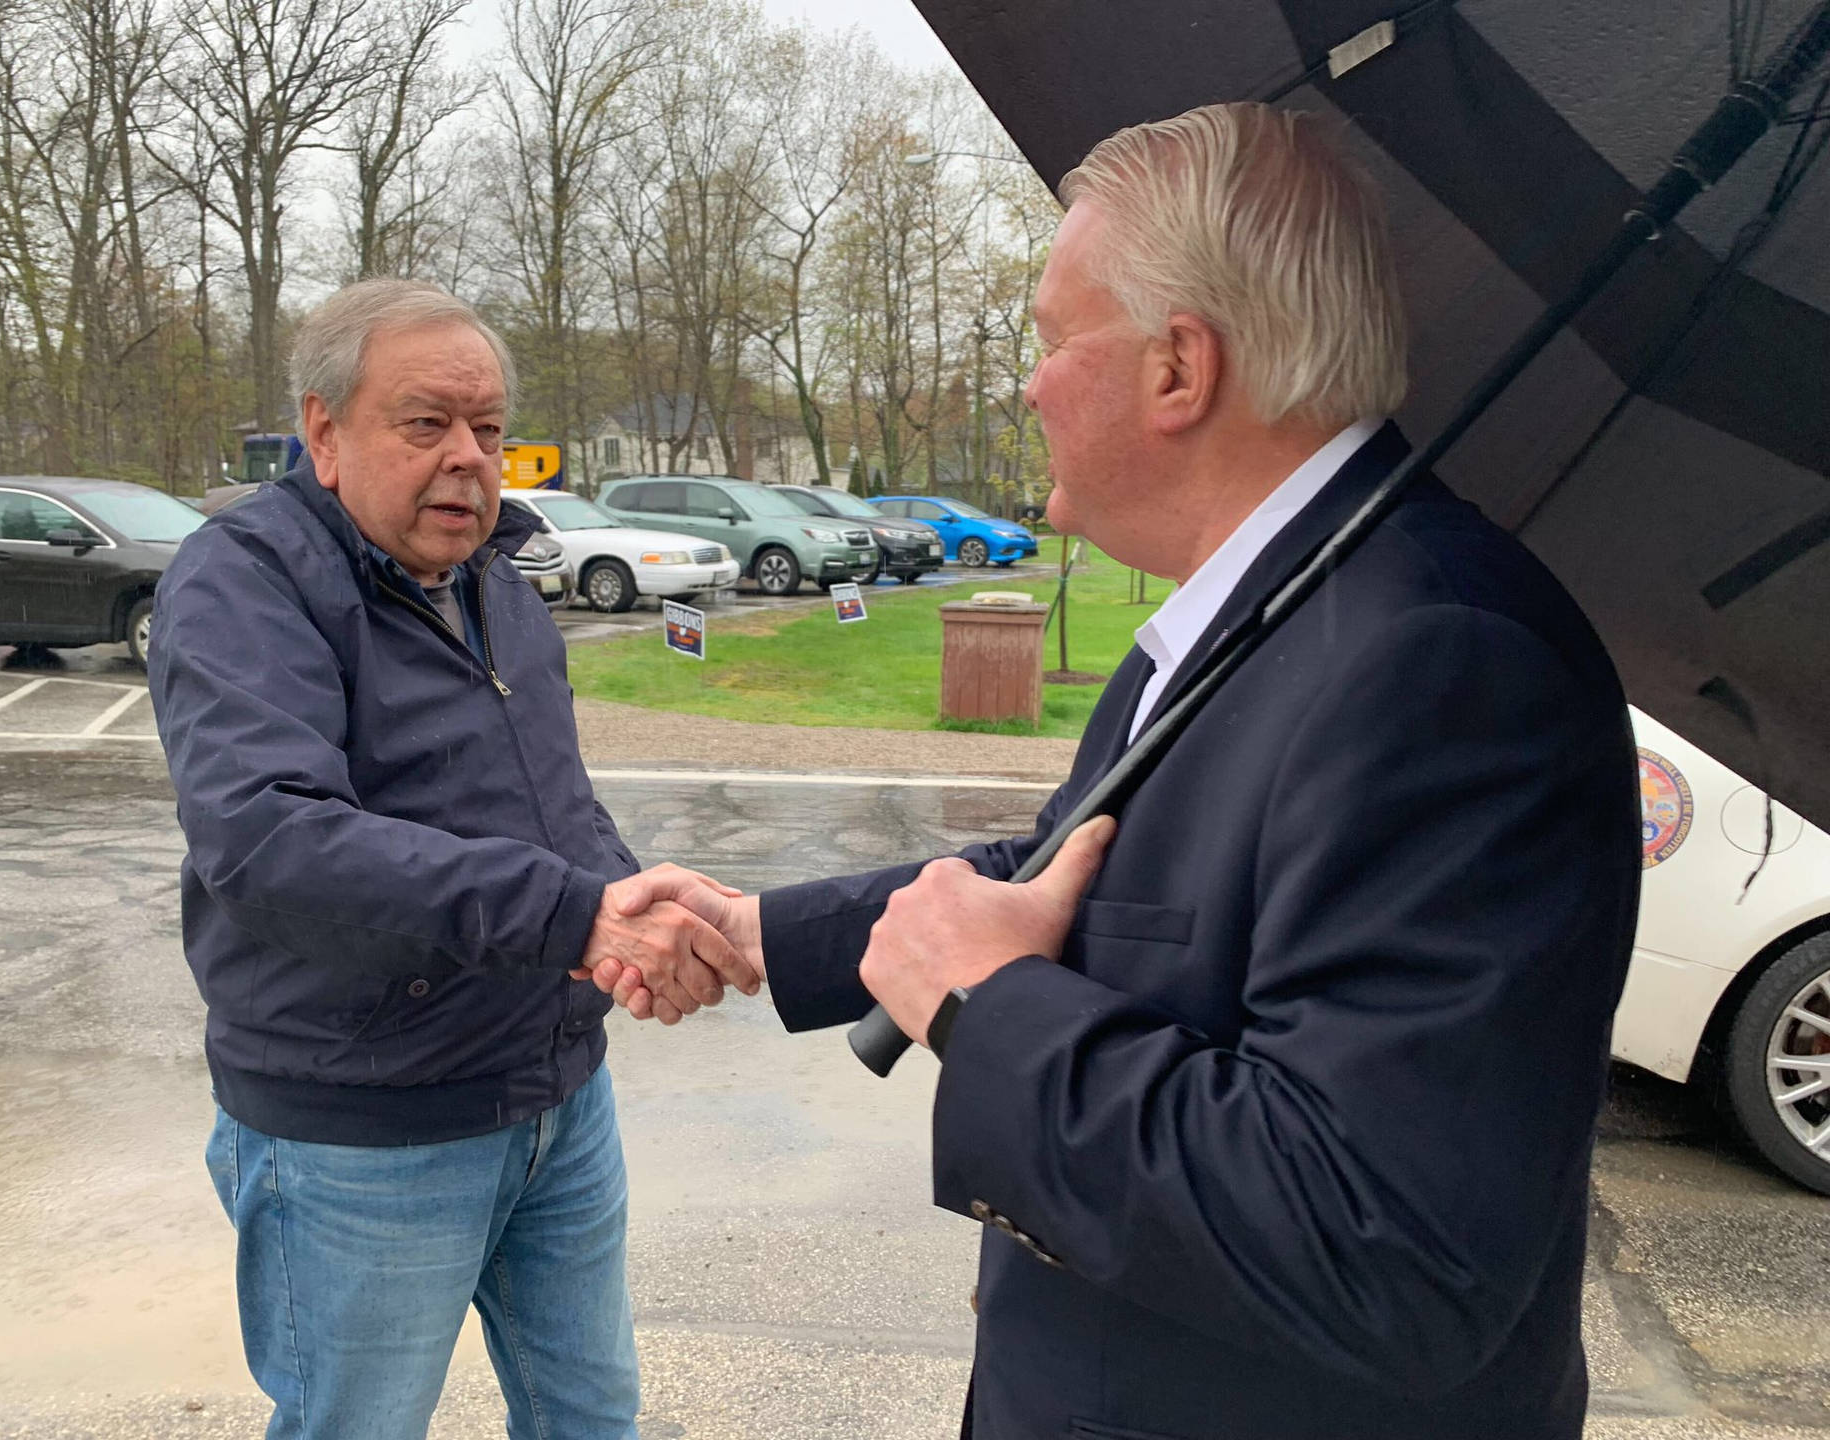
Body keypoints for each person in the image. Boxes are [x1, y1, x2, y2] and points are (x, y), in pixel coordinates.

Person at [588, 104, 1641, 1439]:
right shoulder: (1264, 614)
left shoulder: (1445, 663)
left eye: (1049, 336)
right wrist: (760, 934)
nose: (1027, 385)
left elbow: (1388, 1249)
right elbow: (1074, 877)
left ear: (1178, 368)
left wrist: (986, 1009)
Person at [148, 278, 758, 1440]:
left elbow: (551, 807)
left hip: (555, 1101)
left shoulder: (493, 579)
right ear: (323, 434)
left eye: (489, 428)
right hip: (362, 1131)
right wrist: (579, 919)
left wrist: (638, 905)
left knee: (592, 1416)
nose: (471, 458)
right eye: (426, 423)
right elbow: (272, 838)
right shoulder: (244, 581)